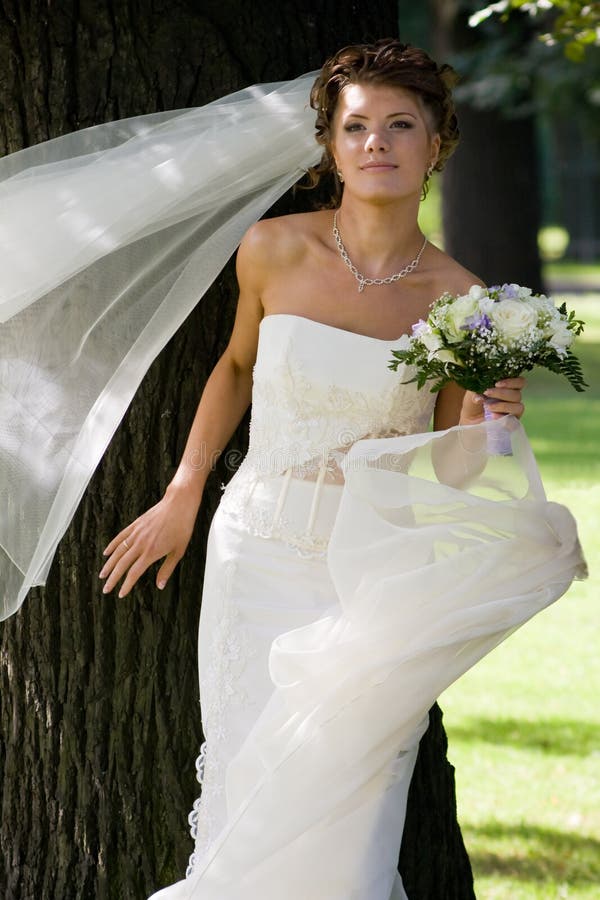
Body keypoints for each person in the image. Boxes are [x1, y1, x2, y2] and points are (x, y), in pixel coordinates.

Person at [95, 39, 539, 899]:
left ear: (435, 145)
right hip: (254, 551)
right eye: (357, 126)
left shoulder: (466, 302)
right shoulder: (271, 249)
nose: (377, 142)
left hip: (373, 575)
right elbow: (233, 369)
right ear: (330, 145)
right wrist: (184, 493)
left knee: (352, 807)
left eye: (400, 125)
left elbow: (448, 472)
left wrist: (489, 418)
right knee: (248, 786)